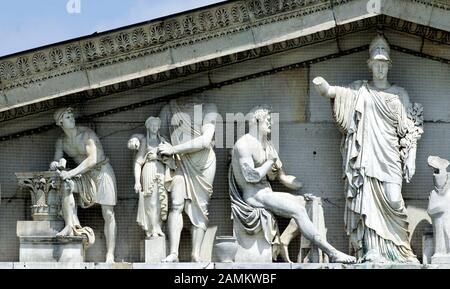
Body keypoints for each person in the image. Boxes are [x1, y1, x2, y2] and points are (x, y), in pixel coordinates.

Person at [312, 35, 423, 263]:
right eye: (376, 64)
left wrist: (410, 158)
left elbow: (409, 130)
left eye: (384, 64)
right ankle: (371, 249)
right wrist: (325, 88)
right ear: (370, 65)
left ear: (388, 65)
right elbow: (337, 94)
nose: (380, 68)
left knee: (394, 199)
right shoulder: (360, 90)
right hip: (367, 155)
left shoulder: (399, 94)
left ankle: (400, 249)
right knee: (368, 200)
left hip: (391, 155)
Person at [230, 106, 356, 264]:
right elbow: (251, 176)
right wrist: (270, 162)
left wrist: (302, 187)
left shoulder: (267, 146)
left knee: (306, 203)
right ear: (256, 121)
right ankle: (332, 253)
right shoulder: (243, 145)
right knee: (297, 210)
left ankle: (285, 240)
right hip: (254, 196)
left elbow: (282, 178)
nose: (270, 124)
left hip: (266, 193)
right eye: (267, 121)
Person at [50, 107, 117, 263]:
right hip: (85, 176)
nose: (72, 118)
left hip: (102, 172)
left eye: (72, 116)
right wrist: (57, 164)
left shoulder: (86, 134)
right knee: (67, 185)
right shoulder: (61, 141)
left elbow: (92, 160)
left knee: (108, 213)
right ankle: (70, 225)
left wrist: (71, 173)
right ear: (60, 122)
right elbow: (55, 160)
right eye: (67, 117)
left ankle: (110, 254)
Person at [158, 99, 218, 262]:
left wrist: (173, 149)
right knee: (176, 204)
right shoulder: (169, 108)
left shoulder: (208, 106)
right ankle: (173, 253)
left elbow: (205, 141)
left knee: (201, 208)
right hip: (180, 162)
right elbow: (159, 136)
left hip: (204, 164)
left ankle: (195, 254)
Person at [128, 116, 173, 239]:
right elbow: (138, 162)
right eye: (152, 124)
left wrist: (160, 157)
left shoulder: (163, 141)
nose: (155, 127)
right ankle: (152, 227)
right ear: (148, 126)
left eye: (156, 125)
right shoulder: (145, 142)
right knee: (151, 201)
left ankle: (158, 226)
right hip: (148, 169)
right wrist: (137, 181)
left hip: (161, 170)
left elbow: (172, 158)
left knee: (161, 201)